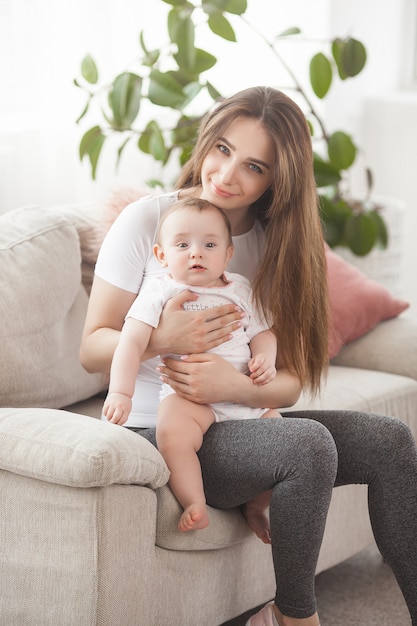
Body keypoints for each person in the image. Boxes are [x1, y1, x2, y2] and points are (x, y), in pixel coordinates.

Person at [80, 86, 417, 626]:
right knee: (305, 443)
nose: (226, 174)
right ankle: (293, 616)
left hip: (239, 417)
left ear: (277, 182)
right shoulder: (152, 222)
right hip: (160, 425)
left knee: (390, 439)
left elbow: (290, 383)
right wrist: (167, 338)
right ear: (206, 140)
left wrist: (234, 387)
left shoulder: (273, 245)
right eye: (221, 148)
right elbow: (92, 345)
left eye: (253, 166)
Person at [103, 197, 280, 535]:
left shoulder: (241, 288)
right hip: (187, 397)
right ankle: (194, 501)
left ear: (228, 254)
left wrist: (264, 358)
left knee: (282, 439)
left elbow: (263, 333)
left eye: (209, 244)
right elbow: (131, 342)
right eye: (182, 244)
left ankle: (257, 505)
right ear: (162, 255)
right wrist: (120, 392)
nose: (196, 252)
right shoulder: (160, 290)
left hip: (242, 393)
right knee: (172, 435)